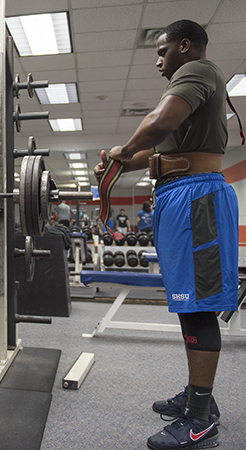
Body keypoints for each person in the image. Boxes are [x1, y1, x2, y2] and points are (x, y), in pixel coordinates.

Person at [93, 20, 237, 450]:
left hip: (197, 199)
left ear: (185, 46)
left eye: (162, 51)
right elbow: (159, 152)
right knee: (188, 305)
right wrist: (119, 164)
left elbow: (158, 123)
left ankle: (199, 421)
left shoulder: (196, 71)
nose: (158, 61)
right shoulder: (190, 87)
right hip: (179, 195)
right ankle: (199, 399)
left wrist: (120, 152)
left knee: (198, 308)